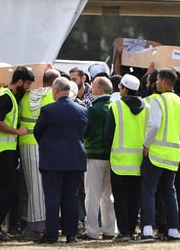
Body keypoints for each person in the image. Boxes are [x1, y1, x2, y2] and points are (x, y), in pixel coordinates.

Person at [136, 69, 180, 242]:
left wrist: (146, 144)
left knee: (149, 191)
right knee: (169, 193)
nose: (156, 82)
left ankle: (147, 231)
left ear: (165, 82)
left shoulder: (158, 100)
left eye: (158, 79)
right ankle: (173, 231)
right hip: (173, 154)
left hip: (156, 153)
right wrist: (178, 147)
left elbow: (155, 125)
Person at [34, 77, 88, 244]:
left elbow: (37, 132)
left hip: (52, 159)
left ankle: (51, 234)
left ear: (56, 90)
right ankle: (71, 234)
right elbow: (84, 132)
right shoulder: (82, 110)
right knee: (71, 197)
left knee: (52, 198)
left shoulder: (48, 110)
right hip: (75, 159)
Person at [0, 66, 34, 240]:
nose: (29, 88)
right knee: (9, 189)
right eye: (27, 84)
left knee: (1, 190)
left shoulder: (9, 95)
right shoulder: (6, 97)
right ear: (20, 81)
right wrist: (17, 132)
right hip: (2, 152)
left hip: (3, 152)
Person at [18, 68, 60, 241]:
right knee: (46, 187)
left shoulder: (27, 96)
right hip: (45, 143)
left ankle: (32, 225)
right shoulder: (52, 95)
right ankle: (42, 225)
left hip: (26, 143)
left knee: (32, 186)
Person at [106, 74, 148, 242]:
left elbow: (108, 135)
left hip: (119, 160)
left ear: (123, 88)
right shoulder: (147, 107)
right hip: (139, 161)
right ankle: (131, 229)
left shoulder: (115, 107)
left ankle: (123, 232)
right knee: (134, 198)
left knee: (120, 198)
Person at [80, 76, 116, 241]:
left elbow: (85, 132)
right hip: (112, 156)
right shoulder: (114, 106)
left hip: (94, 155)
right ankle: (109, 230)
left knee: (92, 195)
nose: (91, 89)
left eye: (93, 87)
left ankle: (92, 231)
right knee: (107, 196)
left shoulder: (93, 109)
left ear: (99, 90)